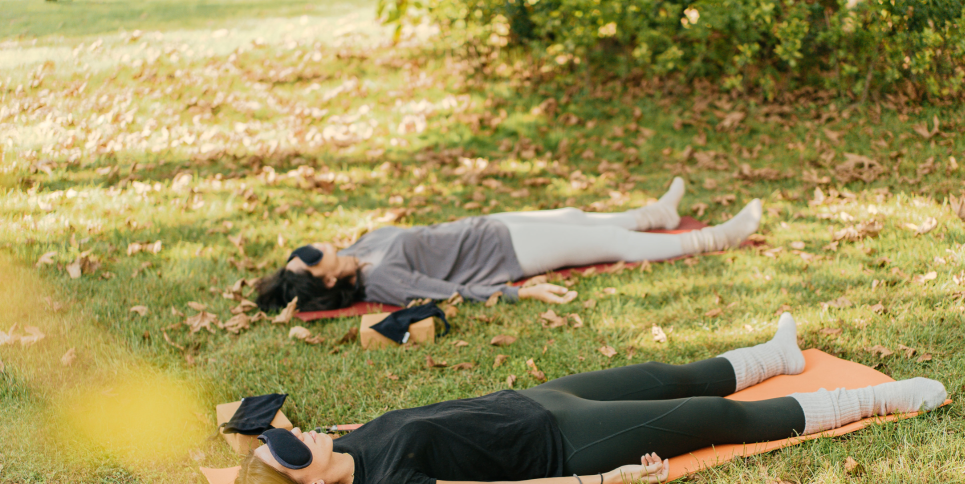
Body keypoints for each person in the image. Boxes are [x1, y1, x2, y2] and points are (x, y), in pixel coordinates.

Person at [234, 314, 948, 484]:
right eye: (292, 452)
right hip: (565, 441)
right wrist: (601, 479)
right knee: (711, 416)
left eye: (286, 439)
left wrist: (260, 443)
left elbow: (260, 419)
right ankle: (883, 399)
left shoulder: (348, 442)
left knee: (670, 374)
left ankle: (776, 353)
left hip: (540, 398)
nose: (299, 437)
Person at [254, 178, 764, 312]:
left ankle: (661, 214)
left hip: (491, 225)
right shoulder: (381, 280)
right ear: (325, 277)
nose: (318, 244)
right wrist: (518, 293)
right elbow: (439, 291)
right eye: (312, 255)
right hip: (508, 253)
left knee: (577, 216)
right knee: (609, 241)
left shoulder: (364, 243)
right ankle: (715, 237)